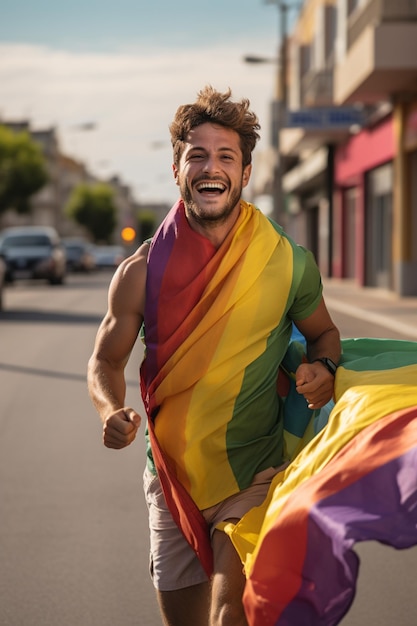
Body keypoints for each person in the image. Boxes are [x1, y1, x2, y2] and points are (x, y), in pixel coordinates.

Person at [87, 85, 341, 626]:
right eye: (197, 154)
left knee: (230, 613)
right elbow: (105, 361)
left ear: (245, 173)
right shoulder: (140, 271)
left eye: (226, 156)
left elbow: (324, 335)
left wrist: (325, 368)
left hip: (255, 470)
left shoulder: (286, 262)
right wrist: (109, 410)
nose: (212, 166)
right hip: (172, 474)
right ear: (177, 167)